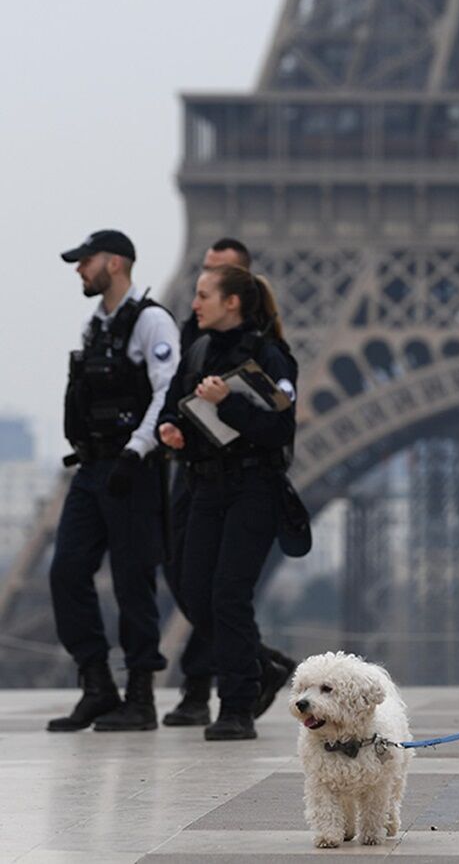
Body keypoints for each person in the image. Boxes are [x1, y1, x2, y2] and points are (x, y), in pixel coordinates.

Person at [161, 237, 297, 728]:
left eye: (203, 296)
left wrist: (229, 403)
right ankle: (259, 665)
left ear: (231, 302)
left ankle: (237, 704)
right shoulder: (196, 350)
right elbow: (174, 403)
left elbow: (281, 428)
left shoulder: (270, 355)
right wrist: (171, 430)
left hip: (253, 489)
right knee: (194, 590)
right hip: (205, 486)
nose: (193, 304)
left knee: (229, 594)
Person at [47, 229, 180, 732]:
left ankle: (141, 696)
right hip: (92, 466)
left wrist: (135, 451)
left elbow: (167, 392)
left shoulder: (151, 322)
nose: (80, 269)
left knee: (132, 581)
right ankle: (97, 683)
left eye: (86, 260)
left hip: (132, 469)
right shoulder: (95, 325)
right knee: (66, 571)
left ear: (117, 263)